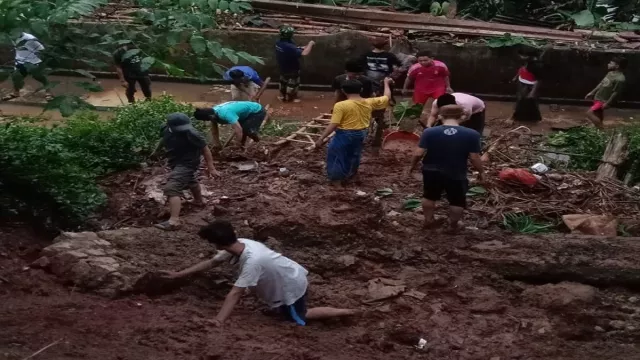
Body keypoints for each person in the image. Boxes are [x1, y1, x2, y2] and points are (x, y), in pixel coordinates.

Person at [160, 220, 359, 326]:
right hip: (289, 273)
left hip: (290, 286)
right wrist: (179, 274)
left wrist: (218, 320)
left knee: (300, 316)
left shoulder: (252, 261)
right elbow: (212, 262)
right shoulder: (243, 243)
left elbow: (235, 293)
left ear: (218, 243)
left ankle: (349, 312)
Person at [406, 105, 484, 232]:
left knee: (429, 196)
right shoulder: (472, 134)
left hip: (431, 169)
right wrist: (481, 172)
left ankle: (428, 220)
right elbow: (474, 157)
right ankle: (453, 225)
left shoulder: (429, 132)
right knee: (457, 200)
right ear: (462, 117)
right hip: (456, 171)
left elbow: (418, 153)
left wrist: (411, 167)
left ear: (440, 116)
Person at [314, 77, 393, 183]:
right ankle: (350, 175)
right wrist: (386, 83)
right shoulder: (369, 102)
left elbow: (334, 124)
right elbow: (387, 97)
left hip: (345, 134)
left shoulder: (341, 105)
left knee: (337, 155)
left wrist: (321, 138)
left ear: (343, 91)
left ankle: (337, 181)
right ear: (361, 90)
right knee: (354, 154)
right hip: (361, 133)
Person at [155, 113, 218, 231]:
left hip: (188, 162)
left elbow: (205, 149)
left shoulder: (192, 133)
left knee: (172, 188)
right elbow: (163, 139)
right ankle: (199, 201)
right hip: (175, 161)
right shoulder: (165, 128)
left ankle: (174, 221)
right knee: (190, 180)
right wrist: (156, 151)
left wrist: (211, 167)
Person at [361, 37, 401, 150]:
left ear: (372, 45)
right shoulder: (390, 56)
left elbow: (361, 67)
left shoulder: (366, 54)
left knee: (366, 109)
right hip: (383, 84)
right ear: (385, 45)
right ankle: (377, 138)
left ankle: (366, 135)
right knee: (381, 108)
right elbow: (398, 66)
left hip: (368, 86)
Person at [193, 101, 267, 148]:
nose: (206, 121)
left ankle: (258, 144)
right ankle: (243, 147)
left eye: (206, 120)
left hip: (256, 111)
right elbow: (214, 131)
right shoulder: (212, 113)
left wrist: (237, 145)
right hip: (243, 114)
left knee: (248, 130)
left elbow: (238, 130)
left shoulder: (225, 113)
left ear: (210, 117)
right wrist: (217, 144)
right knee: (243, 130)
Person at [3, 33, 52, 101]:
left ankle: (48, 92)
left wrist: (36, 57)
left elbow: (42, 49)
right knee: (16, 77)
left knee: (39, 77)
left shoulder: (30, 39)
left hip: (32, 62)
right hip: (20, 60)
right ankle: (16, 93)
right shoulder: (12, 36)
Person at [275, 26, 315, 103]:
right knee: (293, 84)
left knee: (283, 81)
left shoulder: (279, 42)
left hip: (282, 66)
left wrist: (303, 47)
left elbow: (295, 49)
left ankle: (282, 96)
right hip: (292, 68)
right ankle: (290, 99)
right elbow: (304, 53)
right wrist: (310, 44)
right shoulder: (289, 46)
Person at [585, 56, 627, 129]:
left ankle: (601, 129)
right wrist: (592, 92)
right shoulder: (610, 73)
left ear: (617, 66)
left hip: (603, 100)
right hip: (598, 97)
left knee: (589, 113)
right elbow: (602, 83)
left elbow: (615, 93)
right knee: (598, 114)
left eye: (611, 63)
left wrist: (607, 103)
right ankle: (598, 128)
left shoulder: (620, 79)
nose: (608, 64)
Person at [509, 47, 545, 123]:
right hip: (522, 83)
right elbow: (521, 69)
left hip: (530, 86)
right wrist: (516, 77)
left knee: (531, 102)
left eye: (523, 55)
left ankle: (534, 119)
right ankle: (518, 117)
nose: (520, 57)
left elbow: (539, 80)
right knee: (520, 100)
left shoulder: (535, 66)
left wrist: (532, 92)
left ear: (529, 56)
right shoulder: (525, 62)